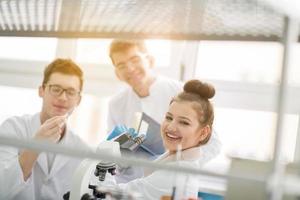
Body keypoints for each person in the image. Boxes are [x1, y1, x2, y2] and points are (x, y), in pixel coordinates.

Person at [107, 39, 221, 182]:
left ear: (149, 60)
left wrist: (176, 166)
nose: (130, 68)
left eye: (134, 59)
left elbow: (213, 144)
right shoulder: (116, 104)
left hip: (172, 181)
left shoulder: (180, 93)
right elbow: (112, 154)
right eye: (121, 65)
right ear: (117, 73)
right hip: (128, 186)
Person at [104, 79, 217, 200]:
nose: (171, 127)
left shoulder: (175, 175)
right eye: (169, 117)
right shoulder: (174, 159)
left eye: (184, 122)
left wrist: (106, 157)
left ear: (203, 132)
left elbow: (108, 195)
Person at [0, 58, 91, 200]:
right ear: (41, 91)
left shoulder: (83, 150)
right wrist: (35, 145)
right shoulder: (13, 128)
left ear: (78, 99)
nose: (62, 97)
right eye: (56, 89)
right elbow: (2, 188)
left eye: (71, 92)